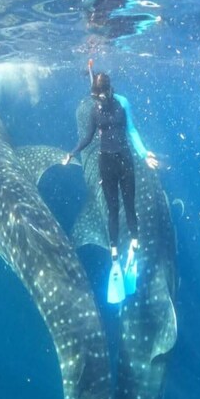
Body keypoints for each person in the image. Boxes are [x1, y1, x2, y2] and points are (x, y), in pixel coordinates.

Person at [63, 72, 158, 302]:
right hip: (106, 164)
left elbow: (132, 130)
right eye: (95, 96)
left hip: (125, 161)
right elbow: (87, 137)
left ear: (108, 91)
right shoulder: (95, 109)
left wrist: (144, 154)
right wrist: (71, 153)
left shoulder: (122, 103)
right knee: (113, 210)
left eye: (100, 95)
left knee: (129, 205)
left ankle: (134, 245)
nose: (98, 100)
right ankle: (114, 254)